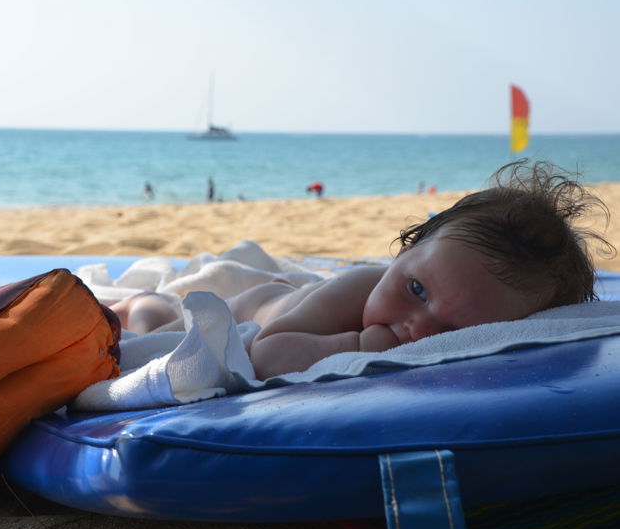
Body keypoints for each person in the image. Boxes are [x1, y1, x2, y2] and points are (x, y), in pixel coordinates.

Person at [109, 160, 613, 380]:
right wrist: (358, 346)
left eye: (455, 330)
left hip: (299, 297)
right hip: (251, 300)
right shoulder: (359, 286)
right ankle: (131, 302)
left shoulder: (431, 309)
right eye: (415, 288)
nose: (419, 326)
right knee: (154, 320)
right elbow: (268, 355)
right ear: (404, 250)